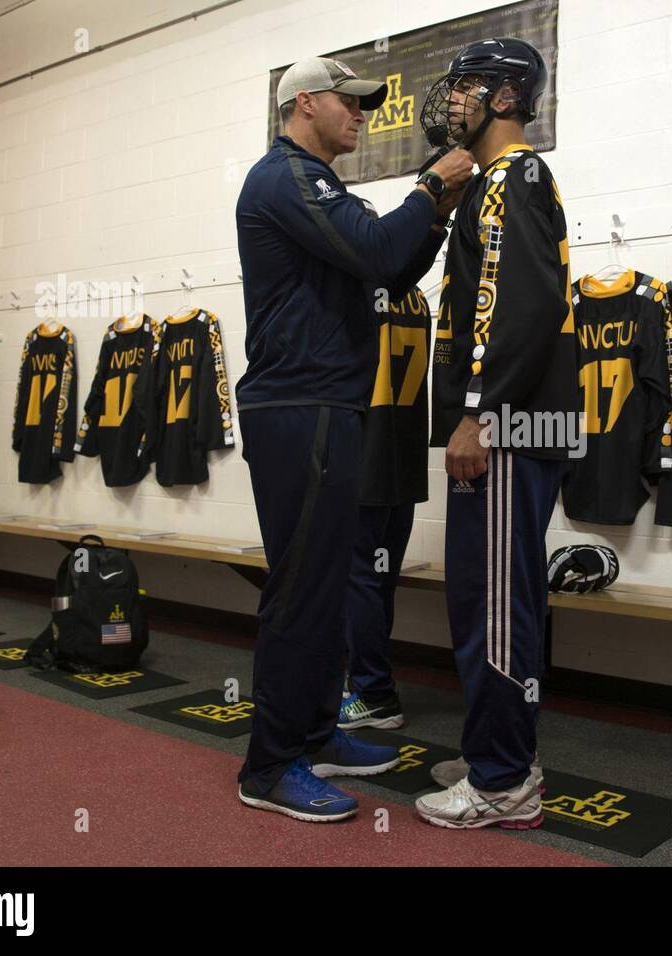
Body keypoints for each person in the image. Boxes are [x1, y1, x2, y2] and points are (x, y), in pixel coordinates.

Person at [233, 54, 473, 823]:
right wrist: (430, 187)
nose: (362, 116)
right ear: (305, 104)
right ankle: (269, 767)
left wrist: (433, 214)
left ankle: (314, 731)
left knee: (329, 585)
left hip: (330, 404)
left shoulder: (321, 185)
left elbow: (389, 274)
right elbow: (375, 250)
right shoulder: (286, 178)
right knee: (301, 593)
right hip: (297, 406)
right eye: (351, 103)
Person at [414, 38, 579, 829]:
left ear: (507, 98)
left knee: (498, 606)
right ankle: (496, 749)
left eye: (467, 87)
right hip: (502, 421)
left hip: (508, 425)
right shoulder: (490, 184)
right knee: (481, 596)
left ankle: (504, 782)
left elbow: (519, 305)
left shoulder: (516, 177)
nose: (453, 100)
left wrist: (480, 411)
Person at [338, 199, 431, 733]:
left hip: (366, 459)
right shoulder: (413, 294)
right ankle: (369, 684)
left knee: (361, 581)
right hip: (403, 462)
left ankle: (373, 691)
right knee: (378, 581)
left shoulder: (361, 288)